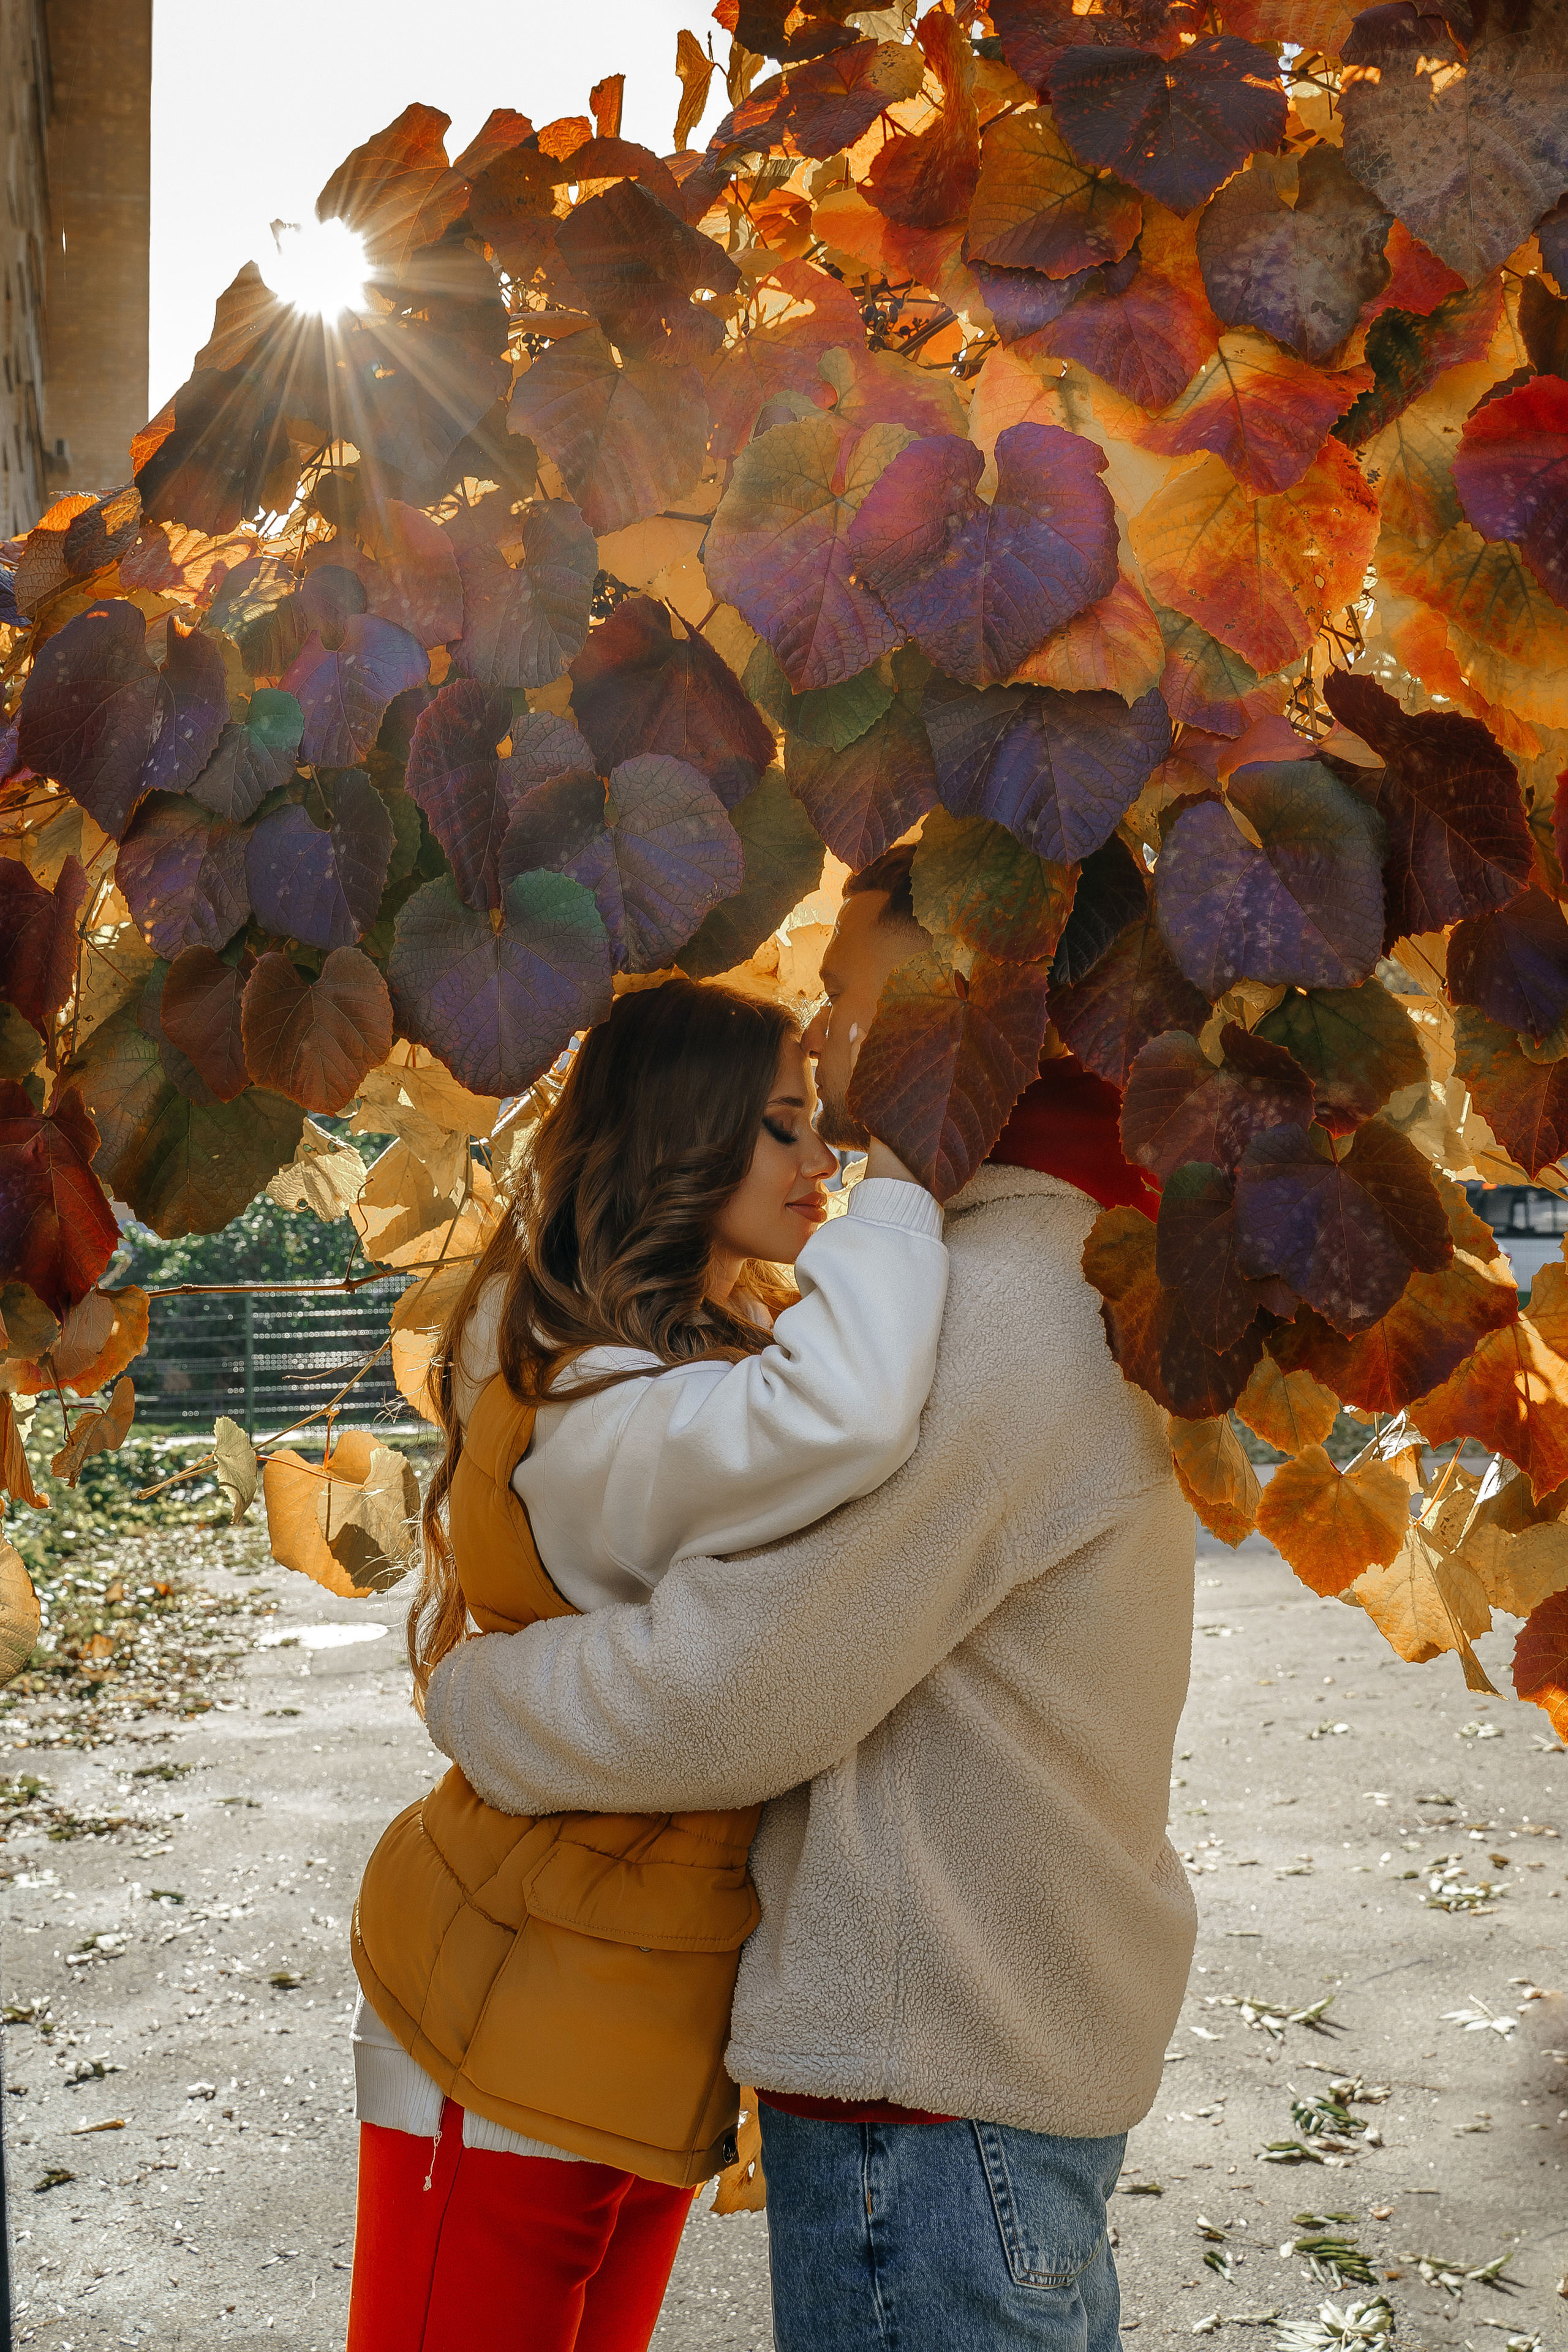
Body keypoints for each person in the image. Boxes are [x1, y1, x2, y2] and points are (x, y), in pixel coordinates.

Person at [425, 846, 1199, 2352]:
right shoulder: (1086, 1260)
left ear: (962, 1007)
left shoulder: (996, 1309)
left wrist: (478, 1696)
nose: (825, 1037)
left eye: (843, 999)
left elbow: (737, 1688)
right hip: (987, 2063)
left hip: (932, 2080)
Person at [346, 974, 948, 2352]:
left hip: (636, 2002)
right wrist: (904, 1185)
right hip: (509, 2010)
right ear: (682, 1137)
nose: (823, 1160)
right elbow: (846, 1410)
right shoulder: (599, 1411)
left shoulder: (656, 1357)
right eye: (783, 1128)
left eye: (824, 1131)